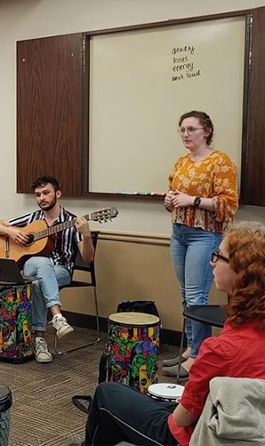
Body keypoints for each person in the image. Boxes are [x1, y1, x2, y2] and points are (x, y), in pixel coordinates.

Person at [77, 221, 265, 446]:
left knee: (106, 394)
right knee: (142, 404)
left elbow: (181, 418)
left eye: (218, 256)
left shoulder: (220, 350)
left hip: (194, 436)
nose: (211, 262)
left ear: (242, 272)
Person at [162, 111, 238, 378]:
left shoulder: (220, 161)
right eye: (182, 130)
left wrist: (192, 201)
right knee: (186, 295)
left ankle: (198, 357)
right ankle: (190, 348)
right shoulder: (182, 161)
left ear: (206, 131)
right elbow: (173, 192)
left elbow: (228, 204)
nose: (185, 134)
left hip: (204, 235)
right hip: (179, 232)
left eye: (191, 129)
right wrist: (170, 201)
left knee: (196, 297)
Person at [0, 176, 94, 363]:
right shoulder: (32, 218)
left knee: (37, 284)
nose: (41, 198)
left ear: (58, 194)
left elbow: (88, 258)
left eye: (46, 193)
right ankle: (58, 317)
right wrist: (12, 232)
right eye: (38, 195)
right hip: (31, 266)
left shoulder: (72, 222)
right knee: (41, 261)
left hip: (61, 270)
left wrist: (86, 236)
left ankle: (38, 339)